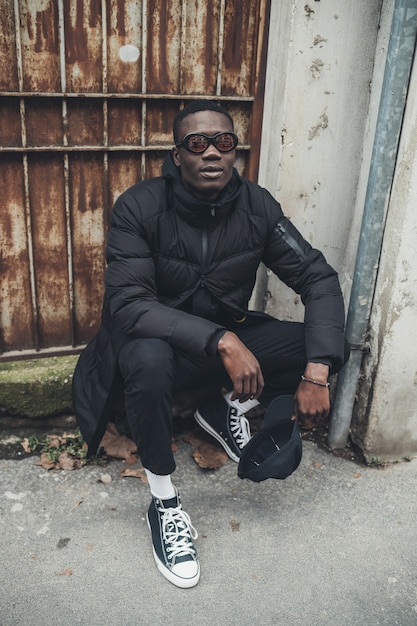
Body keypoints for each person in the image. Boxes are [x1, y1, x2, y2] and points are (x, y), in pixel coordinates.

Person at [73, 100, 348, 589]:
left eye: (223, 142)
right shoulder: (139, 206)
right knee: (148, 357)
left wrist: (316, 374)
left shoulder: (258, 206)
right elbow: (130, 305)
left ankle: (224, 410)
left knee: (323, 342)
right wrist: (219, 339)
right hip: (158, 347)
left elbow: (318, 279)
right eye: (196, 143)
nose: (212, 153)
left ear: (235, 151)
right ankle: (164, 502)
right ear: (178, 155)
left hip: (224, 341)